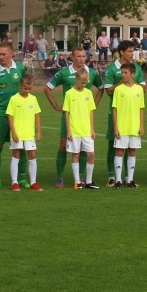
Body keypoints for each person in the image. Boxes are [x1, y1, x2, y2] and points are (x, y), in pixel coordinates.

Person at [45, 47, 103, 187]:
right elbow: (47, 88)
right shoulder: (64, 73)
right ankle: (59, 176)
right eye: (78, 56)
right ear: (72, 57)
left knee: (83, 149)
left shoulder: (91, 72)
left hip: (84, 119)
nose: (81, 59)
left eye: (83, 56)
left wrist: (93, 104)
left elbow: (101, 88)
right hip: (69, 117)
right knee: (63, 145)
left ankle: (81, 177)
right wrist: (56, 105)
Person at [0, 40, 27, 189]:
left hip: (18, 114)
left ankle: (22, 178)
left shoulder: (20, 68)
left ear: (11, 54)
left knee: (21, 146)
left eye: (3, 54)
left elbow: (25, 87)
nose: (0, 57)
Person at [103, 40, 146, 186]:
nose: (132, 54)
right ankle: (112, 176)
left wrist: (132, 83)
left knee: (131, 148)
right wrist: (122, 82)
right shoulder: (111, 69)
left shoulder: (136, 68)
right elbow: (108, 90)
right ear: (121, 52)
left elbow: (143, 88)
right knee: (113, 144)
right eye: (129, 51)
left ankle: (129, 177)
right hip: (117, 113)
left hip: (133, 113)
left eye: (133, 51)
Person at [112, 62, 146, 188]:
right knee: (119, 151)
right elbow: (114, 109)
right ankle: (118, 180)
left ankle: (130, 180)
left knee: (132, 151)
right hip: (122, 126)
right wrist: (116, 127)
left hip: (134, 126)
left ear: (132, 74)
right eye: (122, 72)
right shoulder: (118, 89)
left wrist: (142, 125)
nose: (123, 75)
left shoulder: (139, 89)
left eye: (125, 73)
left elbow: (141, 108)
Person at [63, 69, 99, 189]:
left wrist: (92, 129)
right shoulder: (69, 93)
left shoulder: (88, 93)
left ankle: (89, 181)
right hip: (74, 130)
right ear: (76, 79)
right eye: (82, 82)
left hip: (86, 130)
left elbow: (91, 112)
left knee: (91, 155)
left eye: (86, 82)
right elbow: (67, 113)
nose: (84, 84)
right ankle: (77, 181)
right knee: (75, 155)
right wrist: (68, 130)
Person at [7, 74, 43, 191]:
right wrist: (13, 132)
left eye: (29, 89)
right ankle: (14, 182)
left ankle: (33, 182)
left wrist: (39, 131)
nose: (27, 91)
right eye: (25, 88)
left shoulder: (33, 99)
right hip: (17, 134)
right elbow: (10, 116)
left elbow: (37, 115)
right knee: (16, 156)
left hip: (29, 134)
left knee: (32, 155)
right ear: (20, 85)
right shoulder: (14, 99)